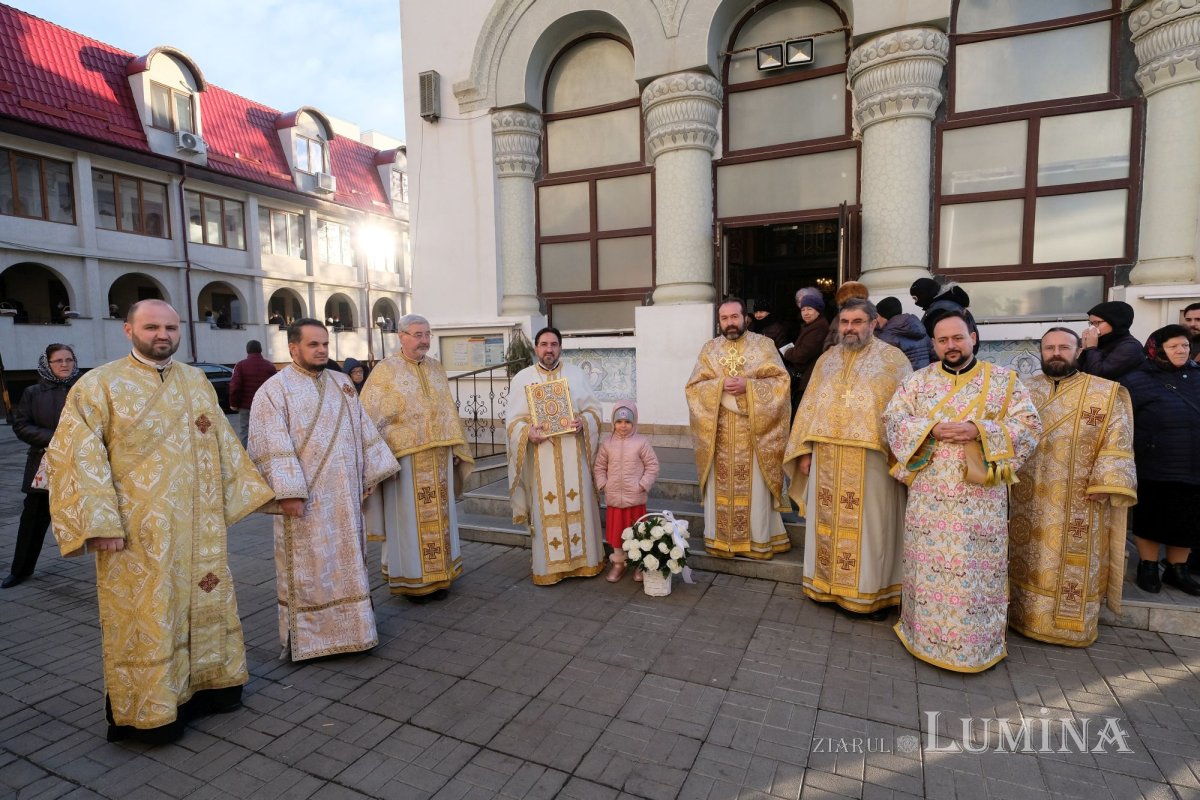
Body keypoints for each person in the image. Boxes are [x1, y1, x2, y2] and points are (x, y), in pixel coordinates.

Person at [47, 299, 274, 743]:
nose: (163, 335)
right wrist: (100, 523)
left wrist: (259, 493)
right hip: (136, 533)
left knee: (202, 603)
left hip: (197, 525)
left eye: (170, 327)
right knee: (149, 616)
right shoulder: (99, 385)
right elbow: (76, 455)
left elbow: (223, 442)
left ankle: (211, 690)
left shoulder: (194, 380)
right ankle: (152, 710)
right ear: (128, 330)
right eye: (151, 326)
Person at [883, 312, 1041, 672]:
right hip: (929, 496)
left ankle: (976, 646)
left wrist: (978, 431)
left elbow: (1030, 426)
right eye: (942, 341)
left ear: (972, 337)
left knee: (975, 573)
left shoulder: (1004, 382)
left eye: (957, 338)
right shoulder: (917, 382)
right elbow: (893, 420)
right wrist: (932, 429)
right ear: (934, 344)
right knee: (927, 569)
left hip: (980, 498)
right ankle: (921, 635)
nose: (950, 346)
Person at [248, 319, 398, 660]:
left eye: (324, 345)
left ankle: (357, 631)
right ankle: (311, 641)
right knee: (309, 568)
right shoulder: (273, 391)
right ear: (293, 348)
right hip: (304, 501)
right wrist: (288, 493)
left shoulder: (343, 383)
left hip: (344, 497)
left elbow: (361, 430)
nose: (321, 351)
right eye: (313, 345)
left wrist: (368, 474)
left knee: (349, 563)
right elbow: (271, 445)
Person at [1009, 328, 1137, 645]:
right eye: (1049, 347)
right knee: (1021, 554)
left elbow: (1118, 439)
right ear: (1040, 351)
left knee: (1063, 563)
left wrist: (1106, 481)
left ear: (1078, 350)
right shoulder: (1019, 390)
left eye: (1063, 347)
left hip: (1077, 497)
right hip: (1022, 493)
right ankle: (1016, 617)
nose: (1055, 353)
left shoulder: (1105, 393)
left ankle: (1065, 626)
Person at [783, 299, 911, 617]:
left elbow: (906, 413)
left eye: (857, 321)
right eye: (845, 322)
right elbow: (810, 408)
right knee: (827, 525)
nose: (850, 328)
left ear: (872, 323)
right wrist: (804, 452)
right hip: (826, 458)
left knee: (872, 528)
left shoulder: (893, 360)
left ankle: (871, 594)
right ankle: (824, 587)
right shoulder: (827, 360)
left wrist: (900, 456)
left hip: (872, 461)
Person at [361, 315, 474, 599]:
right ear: (401, 336)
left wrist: (456, 448)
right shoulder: (385, 372)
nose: (424, 340)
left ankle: (441, 576)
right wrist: (382, 461)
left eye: (427, 334)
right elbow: (367, 419)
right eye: (417, 334)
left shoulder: (436, 368)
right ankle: (412, 580)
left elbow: (447, 410)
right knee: (408, 523)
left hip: (439, 460)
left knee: (442, 520)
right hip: (405, 463)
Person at [686, 299, 791, 559]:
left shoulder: (764, 345)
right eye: (724, 318)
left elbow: (781, 381)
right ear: (718, 321)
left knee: (754, 489)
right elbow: (694, 387)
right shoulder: (709, 349)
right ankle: (720, 540)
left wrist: (749, 387)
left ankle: (757, 541)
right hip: (718, 436)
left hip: (754, 435)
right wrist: (719, 385)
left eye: (734, 317)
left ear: (746, 318)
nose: (730, 322)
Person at [506, 327, 606, 585]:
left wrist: (584, 421)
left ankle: (585, 562)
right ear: (536, 348)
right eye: (543, 344)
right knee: (545, 506)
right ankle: (549, 568)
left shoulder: (575, 374)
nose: (548, 349)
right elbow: (512, 422)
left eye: (553, 344)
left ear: (560, 347)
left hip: (574, 454)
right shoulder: (522, 378)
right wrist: (528, 432)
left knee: (580, 503)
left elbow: (595, 411)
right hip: (542, 457)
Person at [1118, 325, 1200, 594]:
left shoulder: (1197, 376)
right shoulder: (1137, 379)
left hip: (1193, 462)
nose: (1181, 350)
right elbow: (1124, 419)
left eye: (1185, 346)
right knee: (1153, 516)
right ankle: (1149, 565)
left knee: (1187, 519)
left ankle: (1178, 569)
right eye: (1174, 346)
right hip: (1154, 462)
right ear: (1157, 349)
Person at [3, 344, 79, 589]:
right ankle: (20, 570)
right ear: (47, 364)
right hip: (45, 465)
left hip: (83, 463)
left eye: (69, 359)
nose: (65, 364)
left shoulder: (84, 389)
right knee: (33, 519)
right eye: (58, 361)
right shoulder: (33, 392)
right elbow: (21, 425)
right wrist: (55, 438)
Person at [593, 400, 660, 583]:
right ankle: (618, 564)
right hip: (614, 498)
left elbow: (652, 465)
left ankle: (638, 563)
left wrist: (643, 484)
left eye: (628, 422)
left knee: (637, 532)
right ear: (613, 422)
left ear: (634, 422)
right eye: (619, 422)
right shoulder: (607, 444)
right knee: (616, 533)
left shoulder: (641, 443)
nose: (623, 426)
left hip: (635, 498)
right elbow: (599, 467)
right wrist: (603, 484)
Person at [782, 294, 830, 409]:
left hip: (810, 377)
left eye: (809, 309)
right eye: (803, 309)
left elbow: (801, 354)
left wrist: (787, 351)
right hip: (807, 376)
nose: (806, 313)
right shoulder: (811, 325)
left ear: (818, 310)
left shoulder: (818, 327)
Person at [1079, 301, 1143, 381]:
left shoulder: (1130, 346)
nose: (1092, 328)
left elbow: (1098, 376)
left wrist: (1091, 348)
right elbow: (1078, 372)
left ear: (1114, 322)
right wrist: (1085, 348)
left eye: (1096, 323)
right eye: (1091, 323)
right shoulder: (1100, 341)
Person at [228, 339, 277, 444]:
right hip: (265, 406)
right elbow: (276, 387)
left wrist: (234, 404)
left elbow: (235, 386)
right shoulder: (269, 366)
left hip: (246, 406)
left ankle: (246, 458)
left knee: (245, 432)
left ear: (247, 350)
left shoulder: (240, 365)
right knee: (265, 432)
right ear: (260, 350)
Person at [910, 277, 978, 345]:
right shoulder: (953, 304)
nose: (916, 303)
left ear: (925, 294)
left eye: (916, 298)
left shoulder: (939, 311)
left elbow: (935, 338)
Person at [875, 296, 931, 370]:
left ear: (884, 315)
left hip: (904, 378)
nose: (875, 319)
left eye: (876, 315)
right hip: (923, 377)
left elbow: (876, 360)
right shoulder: (919, 328)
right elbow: (933, 353)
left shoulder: (888, 335)